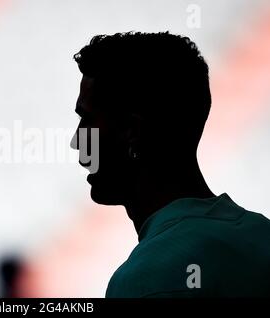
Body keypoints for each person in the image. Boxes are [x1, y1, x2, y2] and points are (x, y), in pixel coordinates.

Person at [70, 31, 270, 297]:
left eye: (87, 119)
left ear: (131, 130)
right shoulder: (262, 236)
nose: (77, 140)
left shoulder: (146, 280)